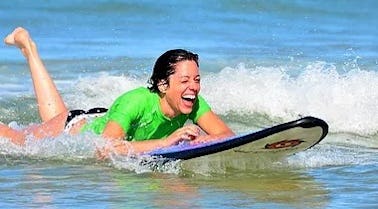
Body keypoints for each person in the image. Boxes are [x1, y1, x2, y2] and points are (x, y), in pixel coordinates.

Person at [0, 27, 234, 158]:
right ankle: (29, 48)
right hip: (73, 128)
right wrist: (167, 141)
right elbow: (105, 150)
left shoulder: (192, 101)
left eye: (197, 79)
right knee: (18, 140)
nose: (193, 86)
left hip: (105, 117)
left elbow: (226, 135)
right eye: (185, 80)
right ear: (163, 85)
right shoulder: (135, 101)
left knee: (52, 112)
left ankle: (29, 49)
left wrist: (199, 142)